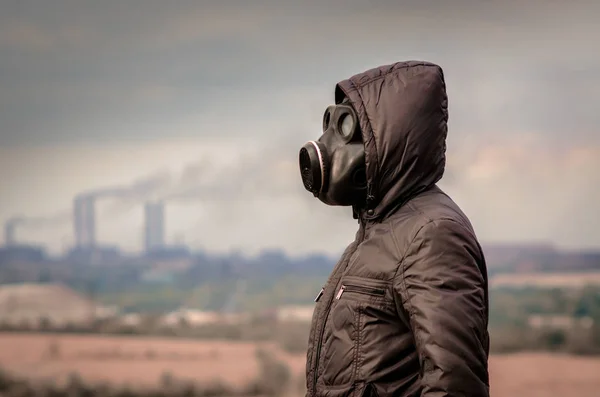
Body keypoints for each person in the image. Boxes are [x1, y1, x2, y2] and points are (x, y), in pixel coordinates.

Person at [298, 61, 490, 397]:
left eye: (348, 129)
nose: (328, 143)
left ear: (390, 141)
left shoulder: (432, 235)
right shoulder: (380, 230)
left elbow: (455, 385)